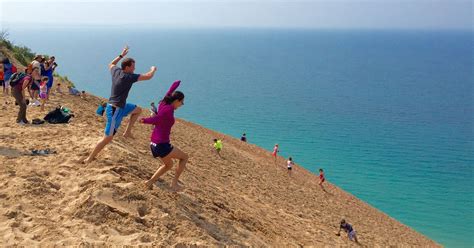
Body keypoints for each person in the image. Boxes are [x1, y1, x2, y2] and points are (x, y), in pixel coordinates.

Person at [83, 46, 157, 164]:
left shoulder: (116, 71)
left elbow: (111, 64)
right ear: (127, 67)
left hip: (121, 106)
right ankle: (89, 158)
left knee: (138, 110)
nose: (135, 68)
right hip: (114, 110)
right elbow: (148, 76)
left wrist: (121, 55)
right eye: (133, 66)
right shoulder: (129, 77)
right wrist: (153, 69)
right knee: (107, 138)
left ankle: (127, 132)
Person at [140, 80, 188, 191]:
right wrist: (144, 120)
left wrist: (176, 84)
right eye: (182, 102)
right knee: (184, 157)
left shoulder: (164, 103)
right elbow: (157, 119)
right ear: (177, 100)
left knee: (169, 165)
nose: (182, 105)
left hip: (154, 143)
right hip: (161, 144)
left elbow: (169, 92)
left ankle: (150, 182)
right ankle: (174, 184)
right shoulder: (168, 110)